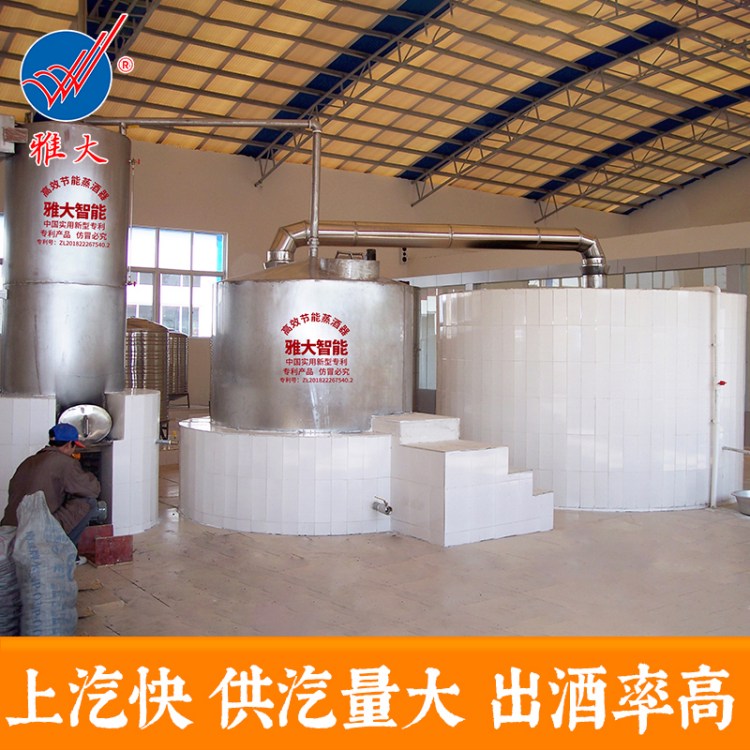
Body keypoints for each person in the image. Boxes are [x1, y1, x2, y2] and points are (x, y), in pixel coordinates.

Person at [1, 423, 101, 564]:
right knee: (89, 502)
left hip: (10, 528)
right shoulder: (65, 462)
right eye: (75, 446)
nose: (74, 450)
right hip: (36, 531)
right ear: (69, 444)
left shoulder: (28, 461)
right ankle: (66, 555)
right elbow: (92, 490)